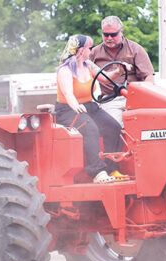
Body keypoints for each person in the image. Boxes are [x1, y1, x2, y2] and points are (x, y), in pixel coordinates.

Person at [55, 34, 129, 184]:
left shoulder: (88, 65)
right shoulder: (65, 70)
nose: (92, 50)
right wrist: (76, 106)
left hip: (88, 105)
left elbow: (106, 76)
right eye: (89, 48)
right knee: (90, 128)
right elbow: (68, 93)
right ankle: (97, 172)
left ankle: (112, 168)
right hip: (68, 109)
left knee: (113, 127)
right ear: (81, 50)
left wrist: (119, 70)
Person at [89, 15, 155, 126]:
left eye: (113, 34)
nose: (109, 38)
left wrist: (142, 98)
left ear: (121, 32)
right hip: (110, 100)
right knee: (113, 126)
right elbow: (79, 68)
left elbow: (149, 77)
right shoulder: (94, 53)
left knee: (145, 125)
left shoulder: (135, 49)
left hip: (134, 98)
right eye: (106, 34)